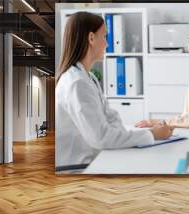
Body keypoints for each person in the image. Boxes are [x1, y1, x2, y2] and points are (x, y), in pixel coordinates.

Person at [55, 12, 172, 167]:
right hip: (79, 167)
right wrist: (152, 134)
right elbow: (102, 138)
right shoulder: (77, 83)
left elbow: (111, 119)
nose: (107, 44)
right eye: (104, 37)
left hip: (96, 157)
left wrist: (121, 136)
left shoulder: (88, 77)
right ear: (91, 38)